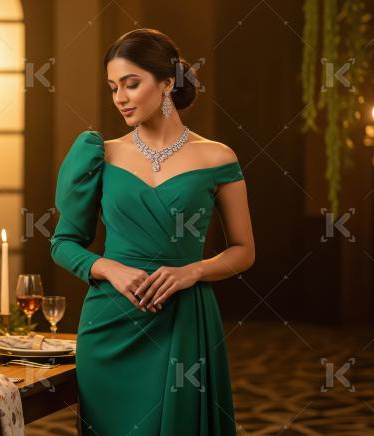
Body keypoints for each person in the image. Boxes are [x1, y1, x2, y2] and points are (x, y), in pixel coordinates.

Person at [50, 28, 255, 435]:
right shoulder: (99, 153)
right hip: (109, 326)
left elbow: (244, 250)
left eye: (131, 83)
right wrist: (110, 268)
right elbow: (63, 243)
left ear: (166, 82)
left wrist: (191, 271)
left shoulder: (216, 157)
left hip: (184, 318)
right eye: (113, 87)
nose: (120, 98)